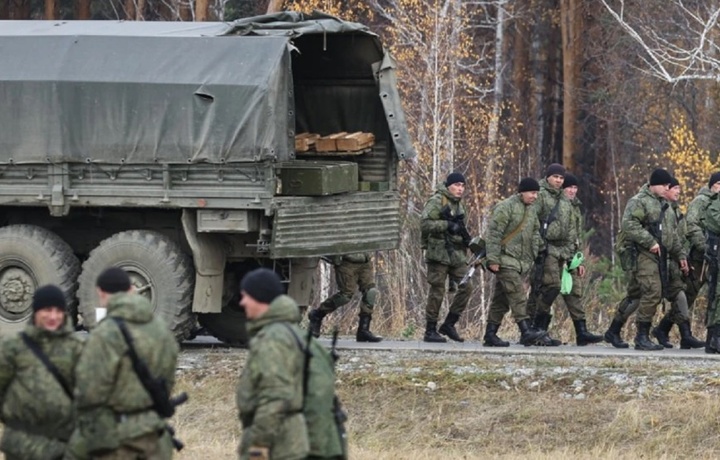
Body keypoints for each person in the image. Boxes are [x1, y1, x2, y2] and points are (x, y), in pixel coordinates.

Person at [75, 267, 179, 459]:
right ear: (131, 290)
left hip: (118, 438)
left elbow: (89, 390)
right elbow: (168, 379)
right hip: (156, 433)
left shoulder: (105, 333)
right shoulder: (162, 331)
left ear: (101, 293)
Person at [603, 168, 687, 350]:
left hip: (660, 255)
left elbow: (671, 235)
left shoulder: (664, 205)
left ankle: (613, 330)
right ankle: (641, 336)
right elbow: (629, 224)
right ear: (654, 185)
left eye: (668, 185)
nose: (667, 188)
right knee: (653, 292)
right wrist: (649, 241)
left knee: (636, 294)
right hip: (642, 253)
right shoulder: (639, 201)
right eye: (664, 185)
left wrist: (680, 255)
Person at [0, 285, 84, 460]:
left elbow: (87, 394)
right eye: (47, 310)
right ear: (36, 311)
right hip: (22, 447)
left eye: (58, 311)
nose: (53, 316)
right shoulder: (14, 348)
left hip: (63, 447)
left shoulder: (75, 348)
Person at [236, 268, 309, 460]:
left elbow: (275, 396)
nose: (242, 302)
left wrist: (259, 444)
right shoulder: (284, 331)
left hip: (278, 443)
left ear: (259, 298)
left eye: (246, 296)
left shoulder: (273, 339)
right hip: (286, 437)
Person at [482, 177, 548, 347]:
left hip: (520, 262)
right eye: (532, 193)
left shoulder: (532, 210)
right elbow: (494, 235)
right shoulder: (506, 207)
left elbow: (534, 233)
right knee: (518, 294)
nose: (535, 196)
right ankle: (526, 331)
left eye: (537, 193)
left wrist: (539, 250)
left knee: (501, 300)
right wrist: (493, 259)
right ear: (522, 192)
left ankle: (490, 334)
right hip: (505, 260)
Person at [651, 177, 704, 349]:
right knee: (638, 296)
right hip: (660, 261)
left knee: (682, 296)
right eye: (674, 188)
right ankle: (626, 331)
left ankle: (673, 333)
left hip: (677, 261)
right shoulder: (659, 209)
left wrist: (683, 258)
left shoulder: (675, 210)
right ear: (665, 190)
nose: (678, 192)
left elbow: (679, 237)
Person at [420, 172, 473, 343]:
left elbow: (461, 227)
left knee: (466, 286)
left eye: (463, 186)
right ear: (449, 186)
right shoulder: (437, 201)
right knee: (437, 291)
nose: (460, 189)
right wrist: (447, 225)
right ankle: (430, 330)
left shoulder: (459, 205)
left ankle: (449, 324)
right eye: (457, 185)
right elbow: (425, 224)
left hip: (456, 254)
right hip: (439, 253)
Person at [554, 174, 604, 345]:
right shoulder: (556, 204)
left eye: (575, 188)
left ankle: (581, 333)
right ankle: (535, 329)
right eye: (569, 187)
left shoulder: (575, 207)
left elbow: (575, 237)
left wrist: (578, 261)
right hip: (554, 255)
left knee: (574, 292)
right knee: (548, 292)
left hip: (570, 257)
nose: (572, 190)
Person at [525, 163, 571, 345]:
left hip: (560, 249)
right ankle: (535, 328)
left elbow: (570, 224)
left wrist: (570, 248)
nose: (559, 180)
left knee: (543, 290)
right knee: (550, 286)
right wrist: (539, 246)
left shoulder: (564, 198)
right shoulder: (541, 195)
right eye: (555, 177)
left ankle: (538, 330)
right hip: (545, 248)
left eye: (561, 178)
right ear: (548, 177)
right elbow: (531, 220)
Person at [307, 252, 382, 342]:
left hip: (364, 260)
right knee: (345, 296)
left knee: (370, 292)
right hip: (346, 261)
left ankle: (363, 330)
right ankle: (317, 314)